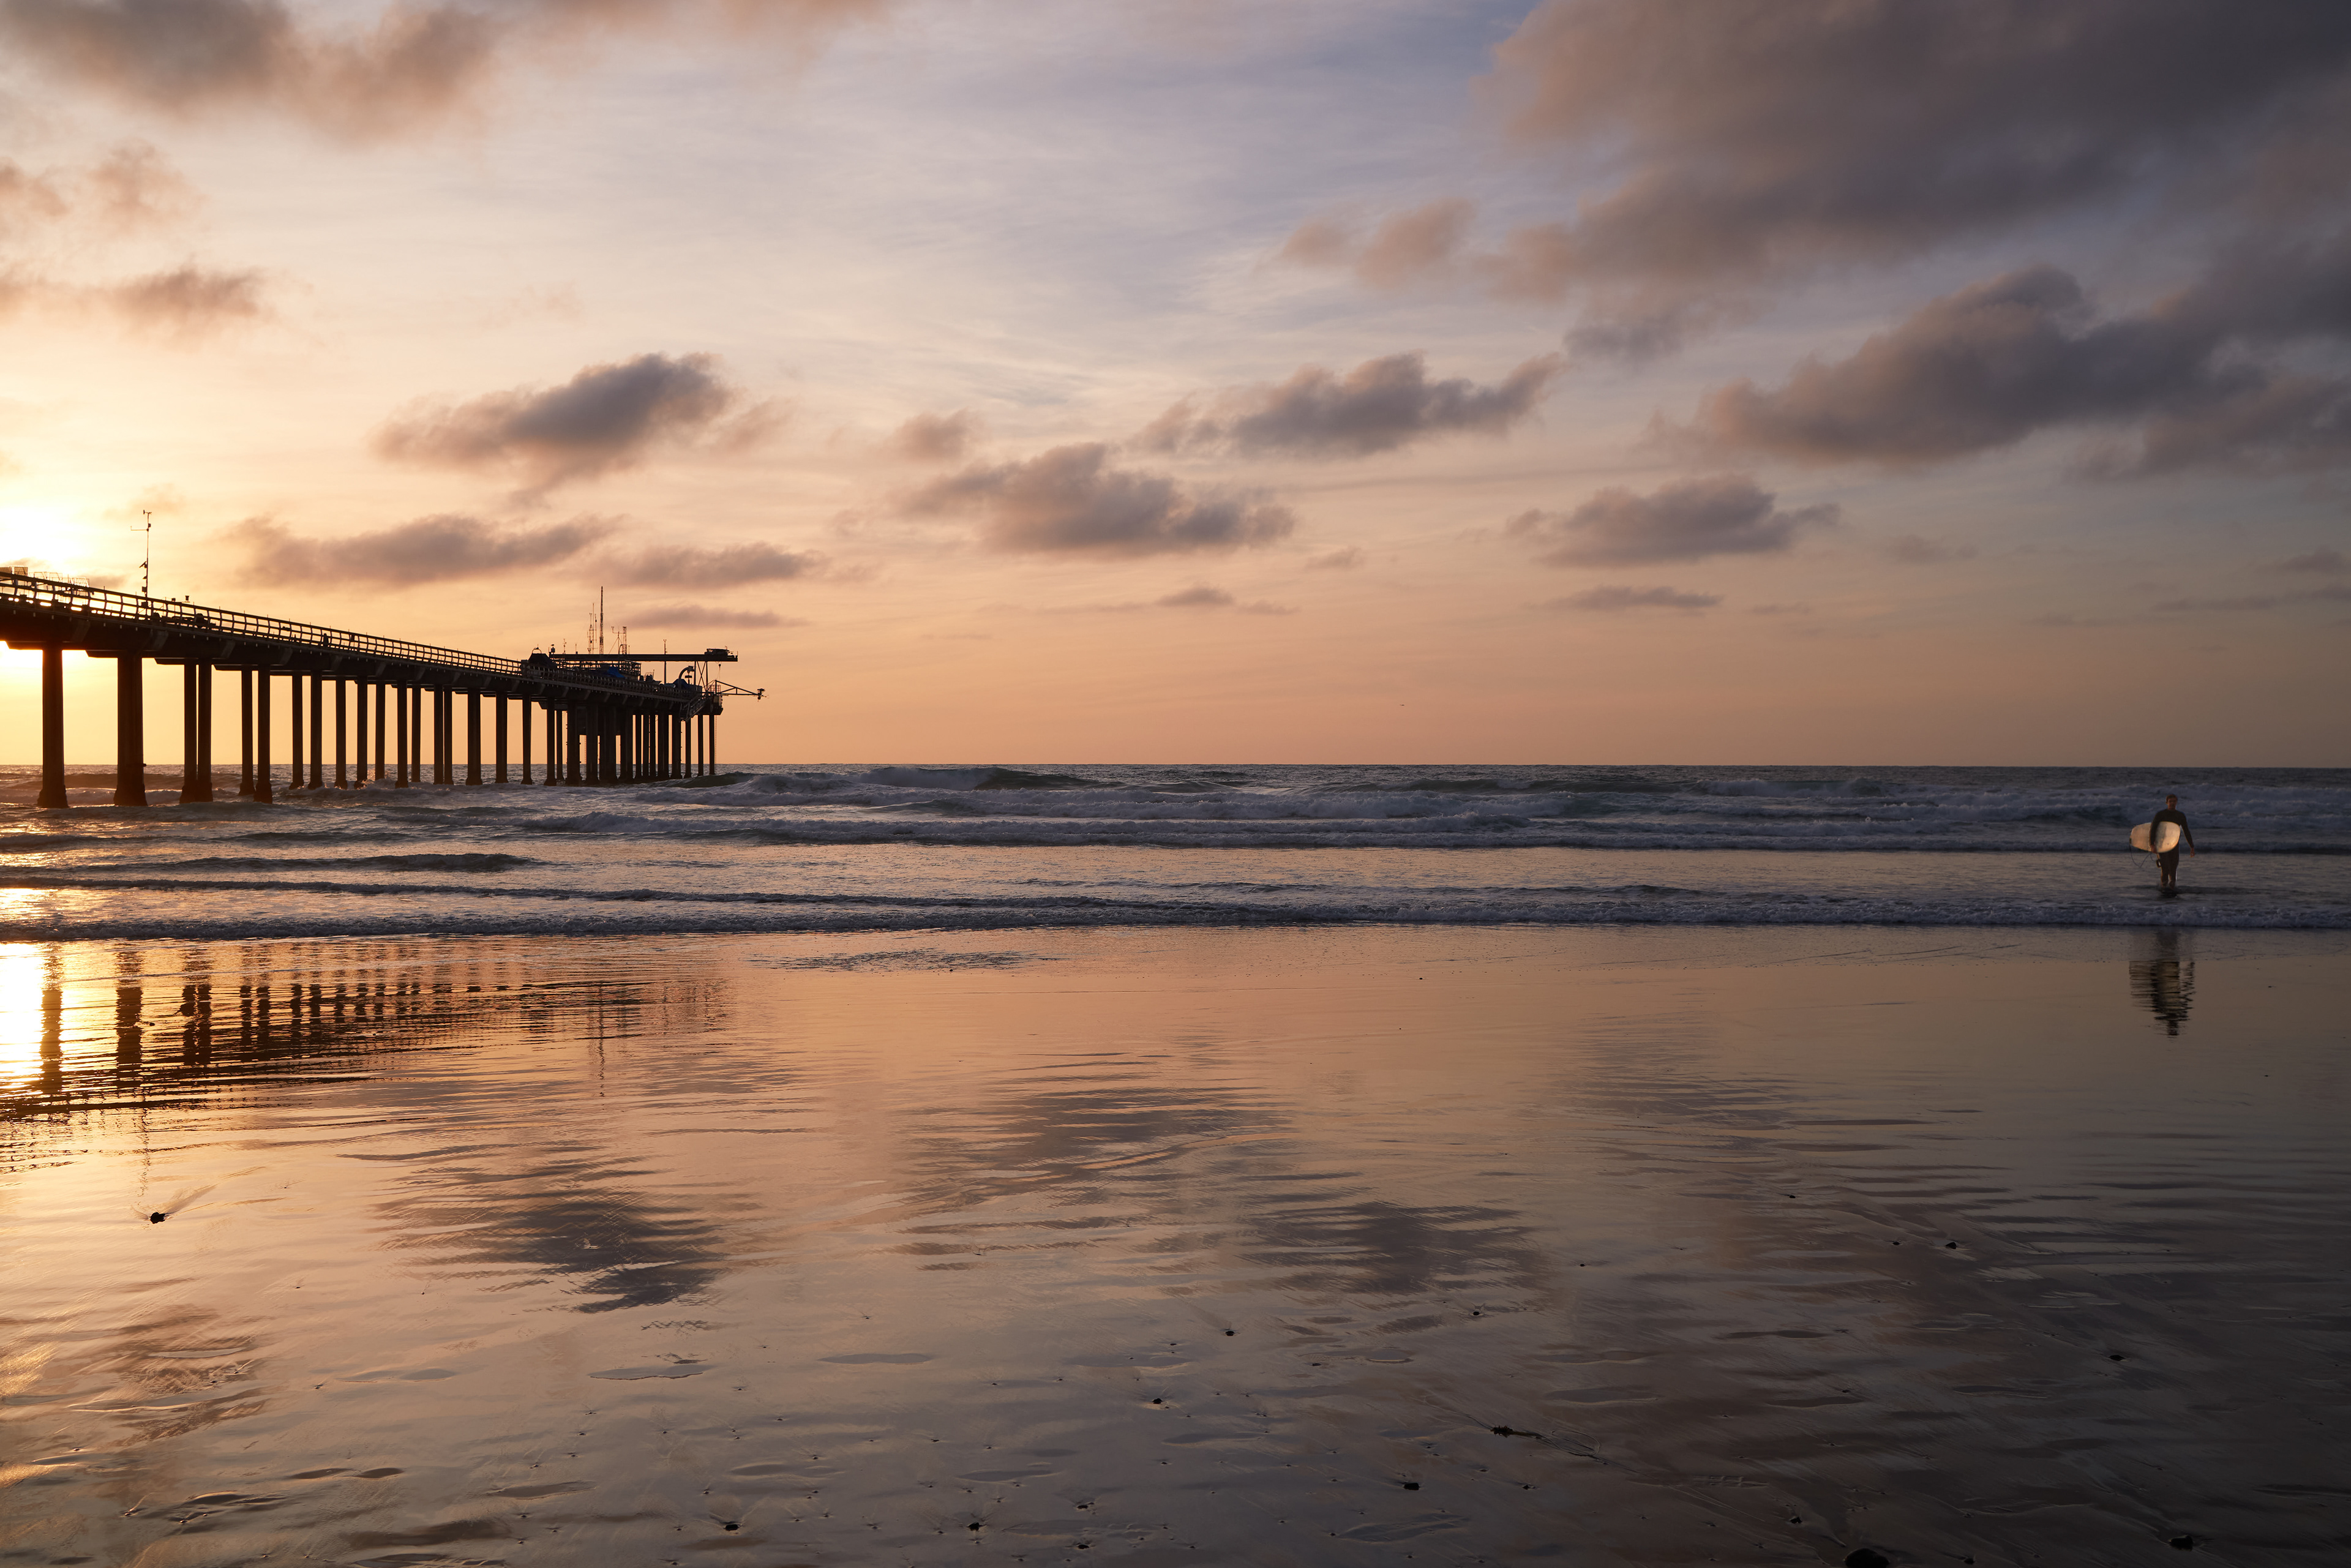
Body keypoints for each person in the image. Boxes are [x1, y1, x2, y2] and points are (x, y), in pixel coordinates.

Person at [2151, 794, 2196, 893]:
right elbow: (2153, 829)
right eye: (2170, 801)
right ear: (2167, 803)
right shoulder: (2160, 814)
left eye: (2174, 801)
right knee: (2165, 867)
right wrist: (2152, 845)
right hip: (2161, 844)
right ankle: (2164, 887)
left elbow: (2186, 831)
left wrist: (2192, 846)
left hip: (2174, 844)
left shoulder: (2180, 815)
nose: (2172, 803)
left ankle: (2172, 888)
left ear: (2177, 803)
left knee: (2173, 867)